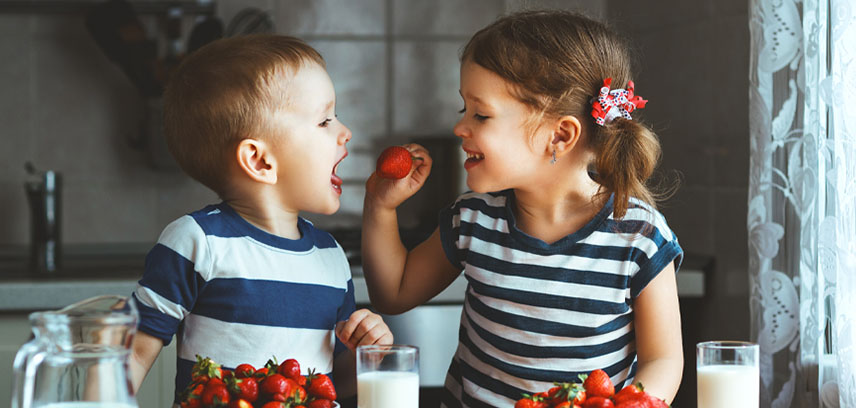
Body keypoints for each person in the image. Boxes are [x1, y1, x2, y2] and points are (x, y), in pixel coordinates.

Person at [361, 10, 683, 407]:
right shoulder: (474, 220)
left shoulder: (640, 236)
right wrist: (380, 207)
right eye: (464, 110)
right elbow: (392, 294)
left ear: (560, 135)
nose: (460, 127)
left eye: (481, 114)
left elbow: (663, 359)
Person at [128, 34, 393, 403]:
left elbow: (337, 383)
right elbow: (132, 355)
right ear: (260, 161)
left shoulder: (331, 257)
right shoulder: (197, 242)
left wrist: (370, 353)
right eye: (324, 121)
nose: (344, 132)